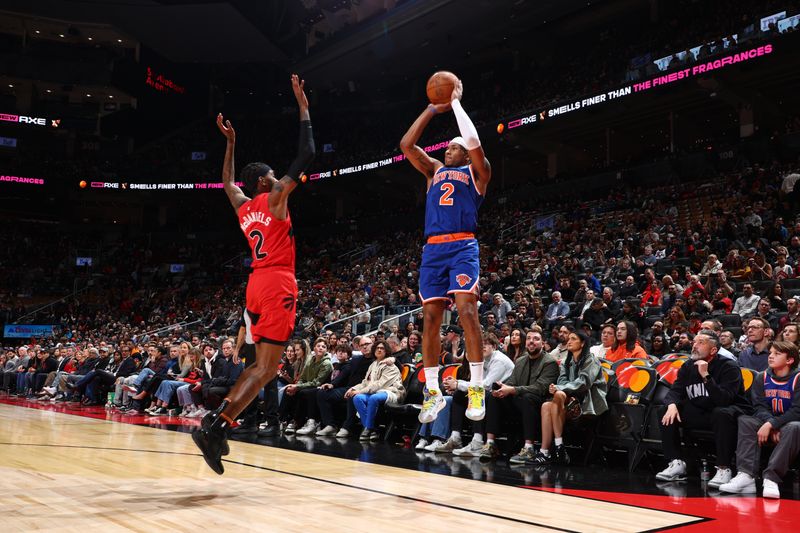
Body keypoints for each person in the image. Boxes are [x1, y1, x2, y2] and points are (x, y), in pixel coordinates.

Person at [192, 74, 316, 475]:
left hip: (255, 285)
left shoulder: (244, 207)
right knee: (266, 368)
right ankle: (215, 424)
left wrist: (230, 143)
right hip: (278, 280)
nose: (280, 176)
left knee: (257, 367)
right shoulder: (276, 198)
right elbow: (308, 152)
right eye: (274, 174)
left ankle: (219, 425)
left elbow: (227, 182)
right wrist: (303, 107)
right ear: (265, 180)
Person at [400, 78, 491, 425]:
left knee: (467, 311)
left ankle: (477, 386)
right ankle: (433, 391)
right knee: (431, 321)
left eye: (452, 148)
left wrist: (454, 104)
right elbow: (407, 145)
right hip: (432, 250)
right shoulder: (434, 171)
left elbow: (473, 141)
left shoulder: (477, 172)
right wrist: (430, 109)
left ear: (464, 153)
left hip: (462, 244)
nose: (446, 151)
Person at [655, 330, 748, 485]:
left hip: (730, 411)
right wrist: (671, 405)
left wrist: (706, 376)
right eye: (694, 342)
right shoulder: (688, 366)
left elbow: (724, 399)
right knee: (664, 410)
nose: (694, 346)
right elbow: (675, 390)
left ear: (713, 350)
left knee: (721, 413)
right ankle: (677, 462)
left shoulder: (729, 367)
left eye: (700, 342)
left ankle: (724, 468)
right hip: (702, 411)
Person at [719, 341, 800, 499]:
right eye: (770, 353)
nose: (771, 356)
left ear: (790, 360)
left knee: (795, 427)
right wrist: (770, 423)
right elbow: (758, 407)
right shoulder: (761, 377)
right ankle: (746, 476)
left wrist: (772, 424)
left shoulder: (798, 378)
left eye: (777, 354)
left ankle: (771, 478)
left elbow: (797, 411)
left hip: (790, 423)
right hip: (771, 422)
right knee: (746, 420)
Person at [532, 330, 608, 465]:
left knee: (559, 394)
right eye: (569, 339)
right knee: (545, 405)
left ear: (583, 343)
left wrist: (559, 388)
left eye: (574, 339)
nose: (569, 341)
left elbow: (584, 383)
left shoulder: (591, 360)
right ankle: (546, 451)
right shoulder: (566, 361)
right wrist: (556, 387)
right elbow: (561, 381)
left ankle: (558, 446)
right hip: (570, 401)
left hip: (589, 402)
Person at [344, 340, 405, 441]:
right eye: (377, 348)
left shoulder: (390, 365)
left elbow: (379, 385)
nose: (379, 350)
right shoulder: (373, 364)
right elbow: (365, 382)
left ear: (386, 351)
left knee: (373, 398)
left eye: (382, 348)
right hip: (376, 392)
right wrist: (354, 388)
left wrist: (360, 391)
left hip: (391, 392)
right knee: (357, 398)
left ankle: (368, 428)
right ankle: (372, 429)